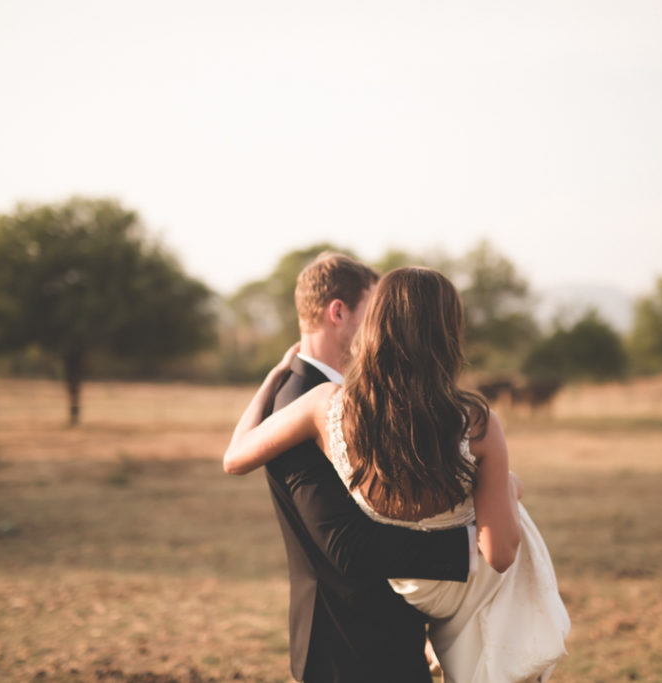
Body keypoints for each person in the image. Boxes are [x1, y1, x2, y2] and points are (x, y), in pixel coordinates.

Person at [225, 266, 570, 683]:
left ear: (376, 324)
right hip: (466, 588)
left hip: (408, 588)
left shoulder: (325, 407)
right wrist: (507, 489)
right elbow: (499, 555)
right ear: (448, 332)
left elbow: (236, 457)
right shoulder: (476, 423)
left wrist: (270, 379)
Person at [242, 253, 474, 683]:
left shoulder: (341, 397)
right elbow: (345, 546)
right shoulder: (303, 400)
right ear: (338, 311)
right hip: (346, 647)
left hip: (378, 640)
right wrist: (471, 543)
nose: (383, 324)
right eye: (375, 310)